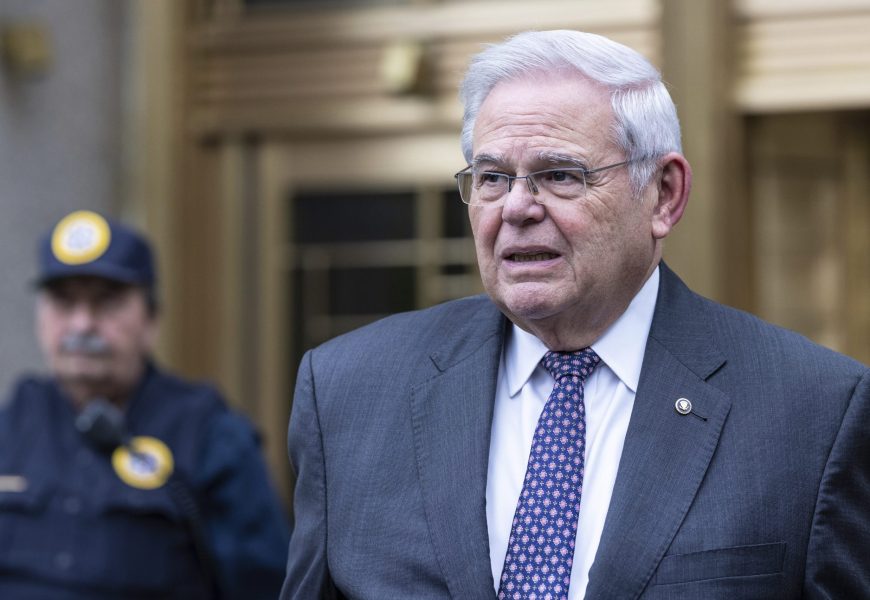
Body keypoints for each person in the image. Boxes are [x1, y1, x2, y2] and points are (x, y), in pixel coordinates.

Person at [280, 30, 869, 599]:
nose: (516, 208)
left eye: (560, 175)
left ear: (664, 194)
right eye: (492, 178)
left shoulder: (814, 413)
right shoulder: (347, 393)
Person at [0, 210, 290, 599]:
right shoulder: (13, 422)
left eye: (106, 303)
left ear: (151, 320)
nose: (82, 325)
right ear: (39, 317)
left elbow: (266, 586)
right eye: (63, 303)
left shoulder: (209, 434)